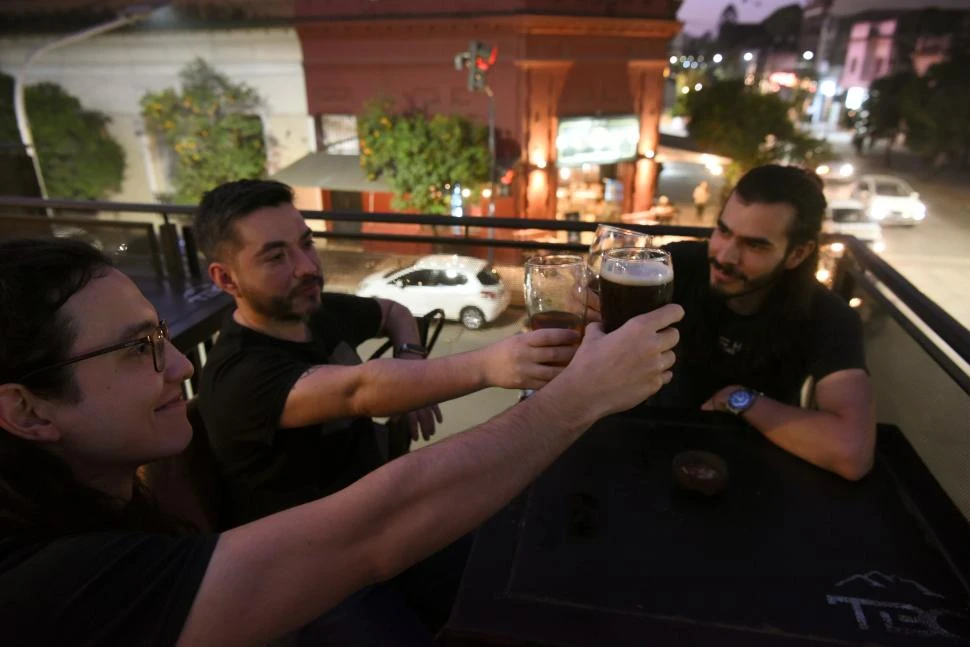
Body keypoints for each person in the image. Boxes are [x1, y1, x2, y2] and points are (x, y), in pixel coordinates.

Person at [0, 237, 682, 645]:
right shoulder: (48, 588)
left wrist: (414, 352)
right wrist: (574, 398)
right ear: (26, 410)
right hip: (324, 576)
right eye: (138, 349)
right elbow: (372, 510)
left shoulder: (100, 501)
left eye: (161, 335)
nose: (180, 366)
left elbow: (390, 315)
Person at [192, 180, 580, 527]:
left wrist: (411, 361)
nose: (307, 267)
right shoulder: (239, 374)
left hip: (381, 508)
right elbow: (358, 391)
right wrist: (493, 364)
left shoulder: (314, 308)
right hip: (313, 565)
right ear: (226, 279)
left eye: (306, 243)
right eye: (276, 257)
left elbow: (394, 311)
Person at [592, 165, 875, 481]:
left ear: (797, 254)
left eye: (755, 245)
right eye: (723, 231)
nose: (725, 256)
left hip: (756, 466)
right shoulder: (674, 267)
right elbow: (591, 307)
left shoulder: (827, 315)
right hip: (652, 445)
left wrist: (738, 399)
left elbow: (852, 452)